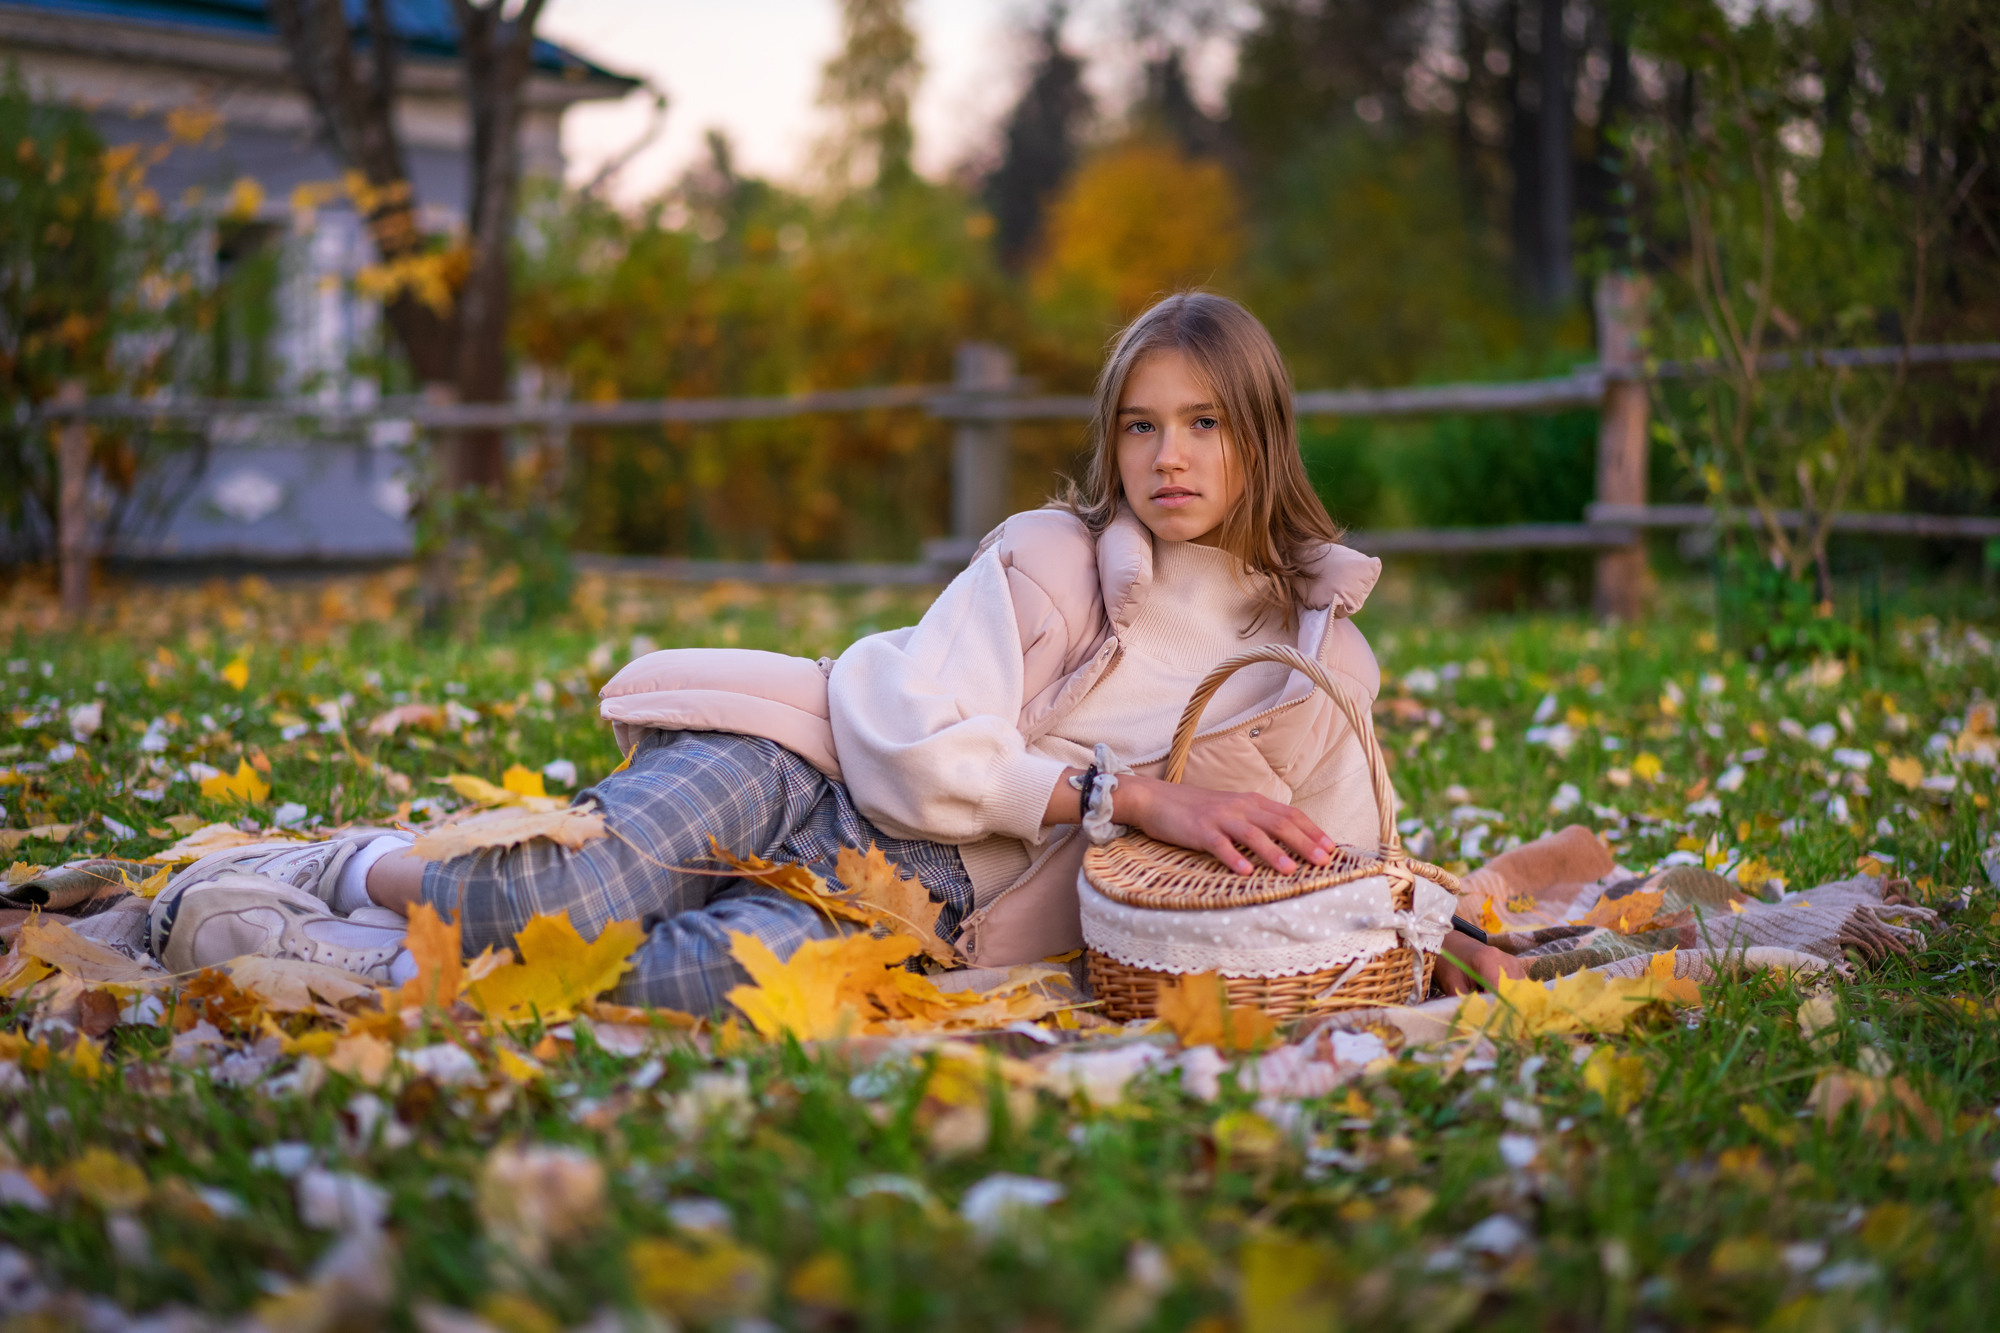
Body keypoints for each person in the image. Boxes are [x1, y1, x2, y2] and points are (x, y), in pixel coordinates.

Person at [148, 292, 1523, 1010]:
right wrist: (1131, 798)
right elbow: (912, 735)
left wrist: (1452, 935)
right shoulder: (1050, 555)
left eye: (1209, 423)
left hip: (923, 898)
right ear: (1111, 438)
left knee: (672, 981)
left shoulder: (1313, 667)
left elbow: (1355, 864)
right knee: (554, 904)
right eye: (1142, 424)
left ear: (1263, 433)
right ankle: (327, 871)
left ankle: (344, 955)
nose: (1171, 456)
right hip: (805, 763)